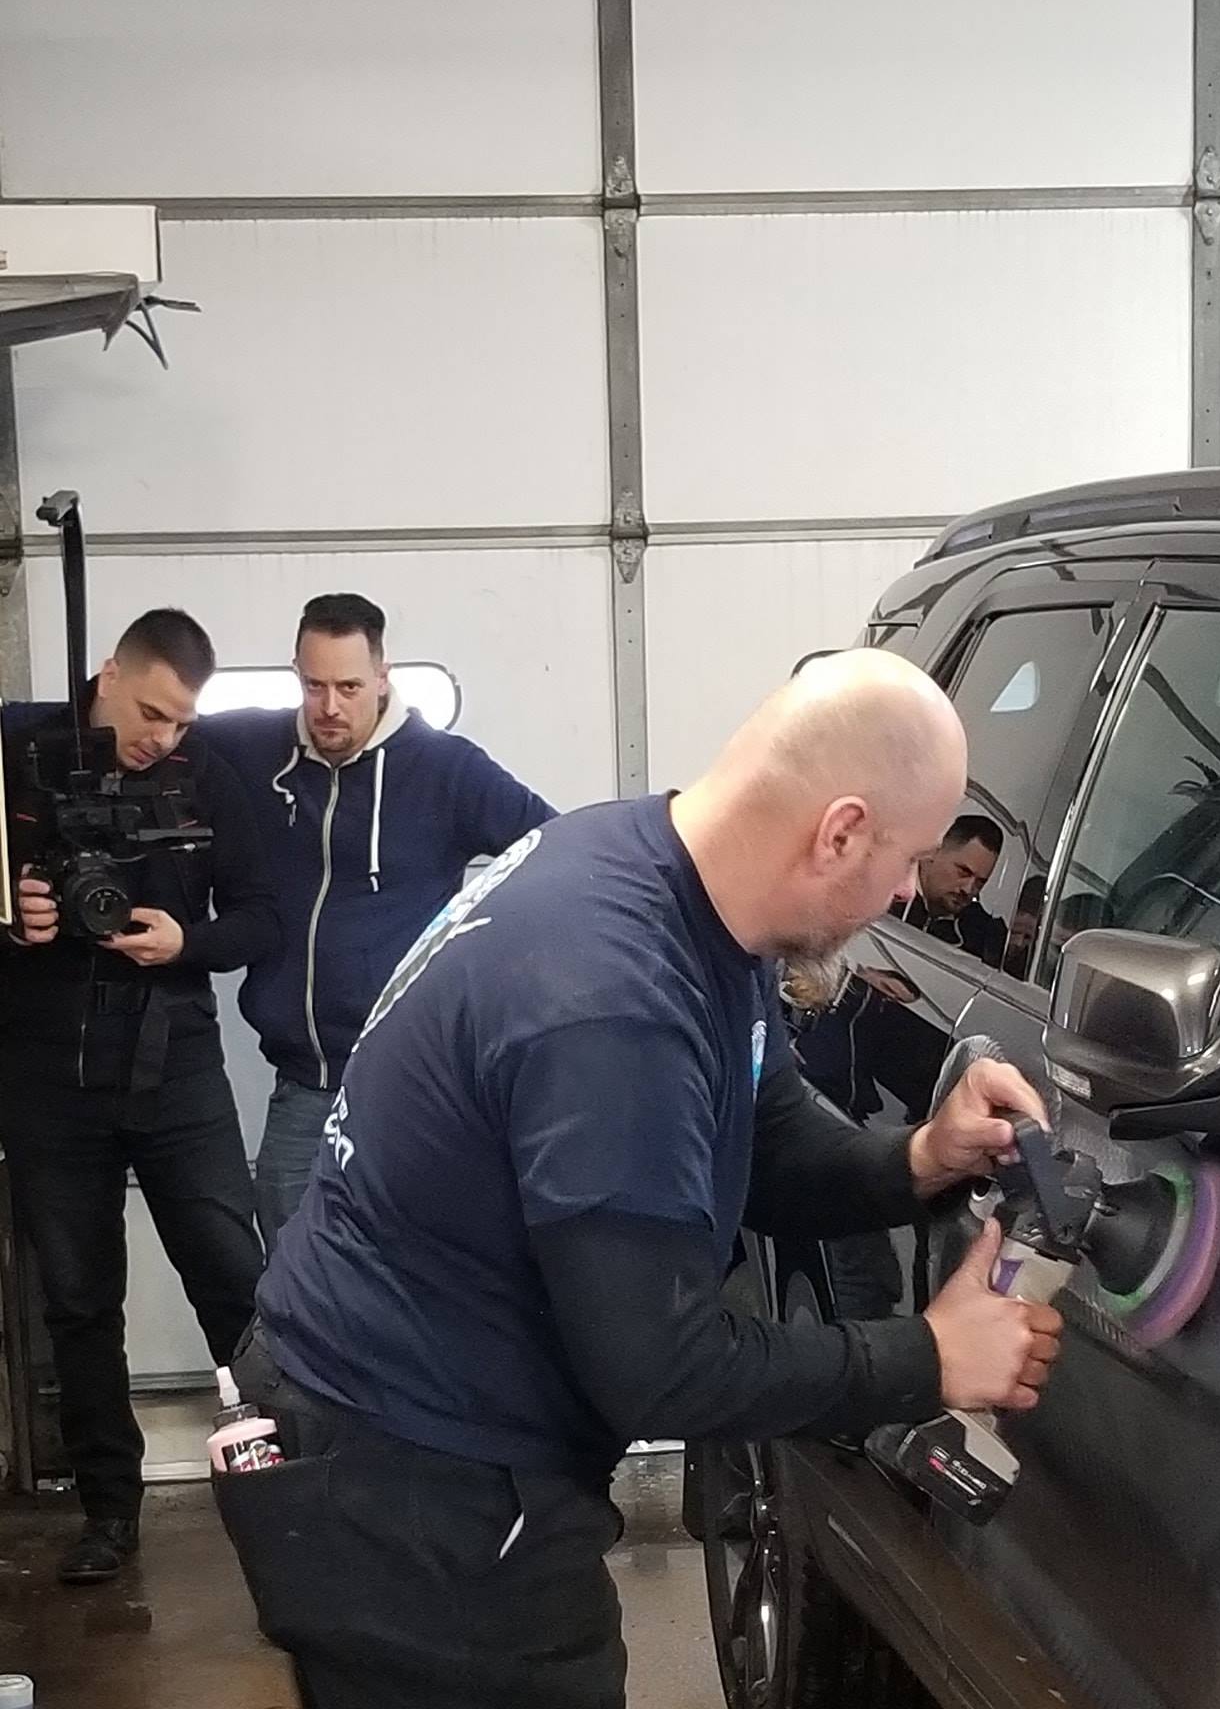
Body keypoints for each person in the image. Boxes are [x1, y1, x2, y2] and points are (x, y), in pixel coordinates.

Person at [216, 650, 1062, 1709]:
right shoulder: (614, 1000)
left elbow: (764, 1136)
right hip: (410, 1488)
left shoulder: (667, 878)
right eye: (909, 857)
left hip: (415, 1442)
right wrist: (928, 1355)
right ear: (840, 830)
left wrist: (922, 1156)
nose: (906, 892)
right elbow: (661, 1371)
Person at [1, 610, 277, 1585]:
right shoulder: (16, 761)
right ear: (109, 672)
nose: (164, 736)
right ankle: (109, 1512)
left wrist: (185, 942)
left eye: (181, 720)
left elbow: (263, 916)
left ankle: (281, 1488)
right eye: (153, 712)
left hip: (176, 1066)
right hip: (46, 1075)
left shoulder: (207, 776)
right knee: (78, 1303)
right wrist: (13, 917)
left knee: (235, 1280)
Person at [204, 593, 553, 1247]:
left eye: (349, 687)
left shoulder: (446, 769)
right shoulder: (250, 749)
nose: (330, 707)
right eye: (314, 686)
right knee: (290, 1265)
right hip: (304, 1088)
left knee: (416, 1264)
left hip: (411, 1087)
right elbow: (144, 732)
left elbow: (554, 854)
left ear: (382, 677)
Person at [795, 813, 1007, 1126]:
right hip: (825, 1071)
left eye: (980, 882)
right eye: (963, 872)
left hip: (901, 1106)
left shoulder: (982, 935)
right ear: (933, 852)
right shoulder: (874, 887)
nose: (969, 889)